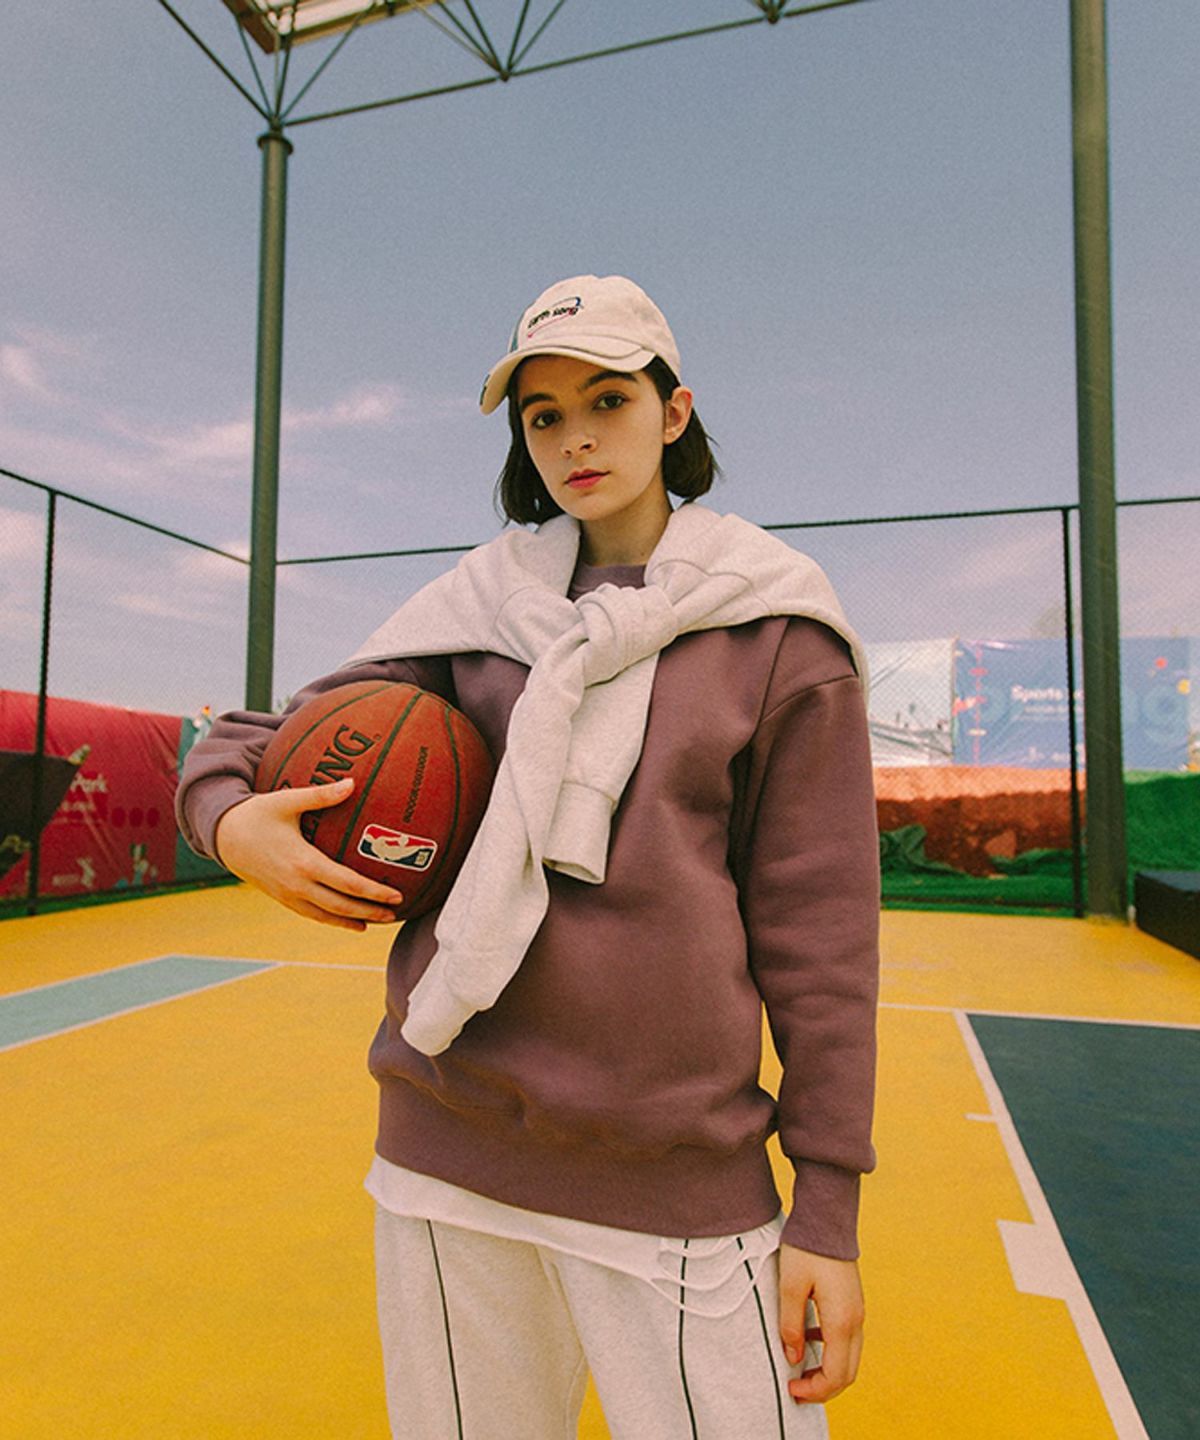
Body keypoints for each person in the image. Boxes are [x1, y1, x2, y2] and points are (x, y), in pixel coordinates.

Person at [175, 273, 880, 1440]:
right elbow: (258, 739)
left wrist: (828, 1214)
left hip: (678, 1181)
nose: (574, 438)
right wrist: (230, 820)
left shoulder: (778, 627)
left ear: (675, 411)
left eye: (608, 400)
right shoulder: (480, 609)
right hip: (444, 1156)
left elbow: (823, 936)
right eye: (543, 415)